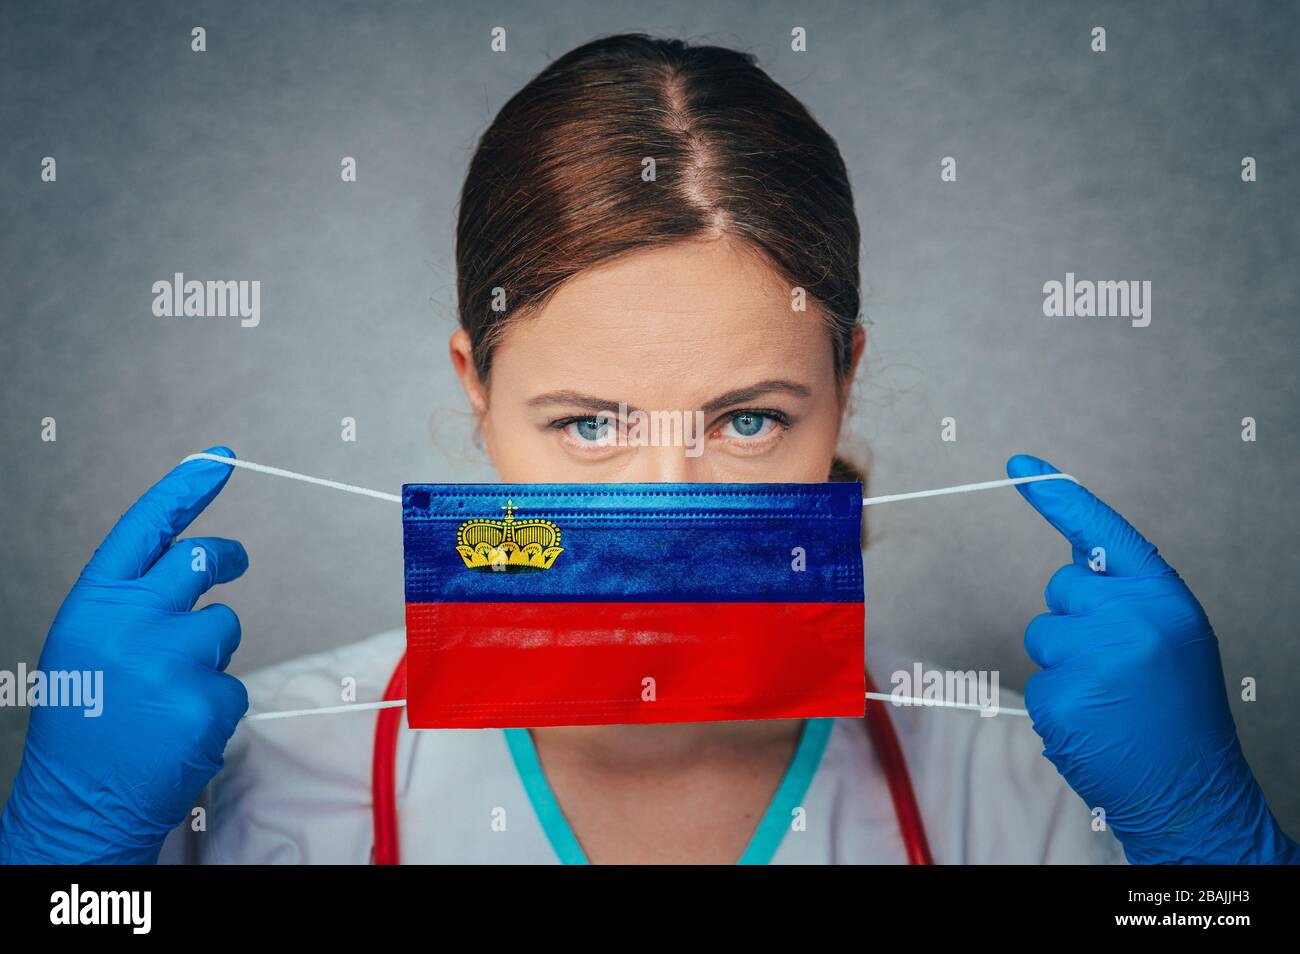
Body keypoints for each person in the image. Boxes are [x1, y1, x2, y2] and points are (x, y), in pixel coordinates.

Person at [1, 34, 1294, 865]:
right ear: (477, 390)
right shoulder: (246, 780)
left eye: (748, 419)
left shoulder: (1031, 791)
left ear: (842, 388)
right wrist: (66, 868)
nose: (665, 510)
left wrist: (1216, 857)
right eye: (588, 424)